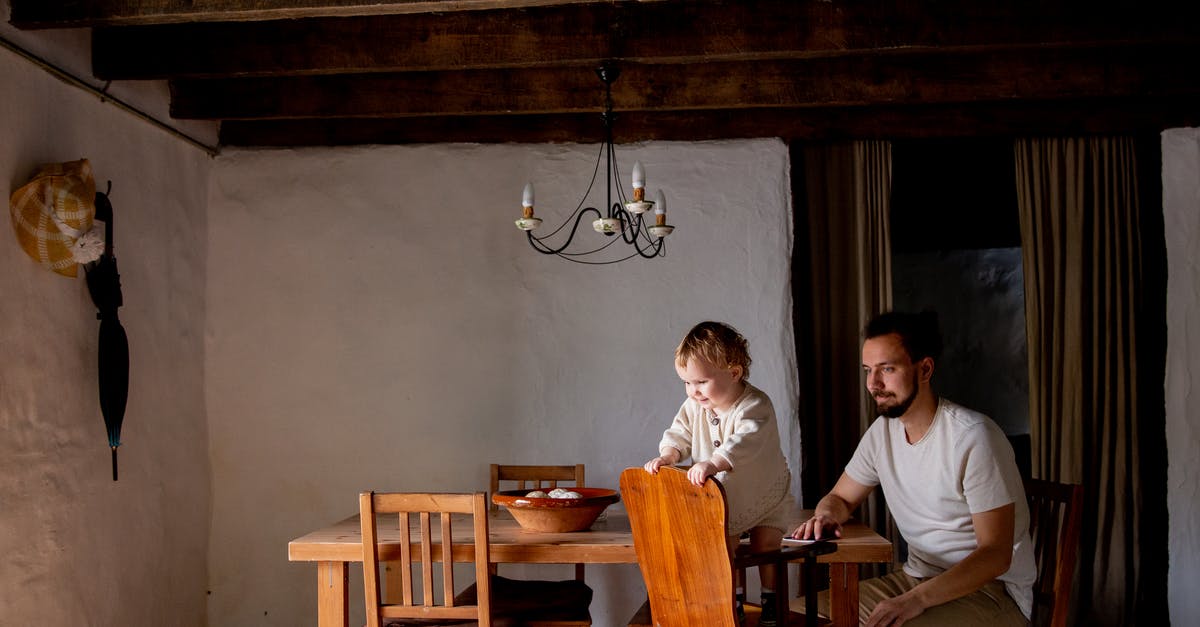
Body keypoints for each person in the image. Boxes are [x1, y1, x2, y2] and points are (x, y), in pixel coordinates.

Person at [792, 311, 1035, 626]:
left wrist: (916, 601)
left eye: (887, 369)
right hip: (916, 579)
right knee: (800, 616)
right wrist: (826, 515)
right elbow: (841, 497)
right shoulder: (882, 434)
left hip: (991, 592)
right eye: (868, 370)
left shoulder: (974, 437)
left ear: (925, 369)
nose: (873, 384)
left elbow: (995, 555)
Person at [643, 321, 796, 627]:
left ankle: (771, 601)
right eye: (686, 383)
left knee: (765, 545)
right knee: (724, 549)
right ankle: (733, 602)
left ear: (734, 373)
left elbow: (746, 440)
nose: (693, 391)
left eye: (700, 382)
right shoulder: (694, 405)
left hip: (763, 490)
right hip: (726, 496)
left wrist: (714, 462)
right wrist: (668, 455)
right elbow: (680, 432)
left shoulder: (754, 405)